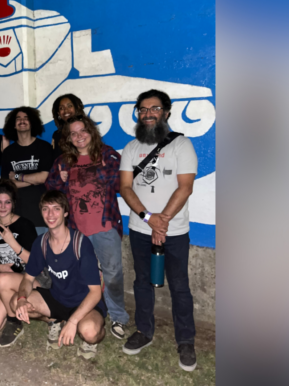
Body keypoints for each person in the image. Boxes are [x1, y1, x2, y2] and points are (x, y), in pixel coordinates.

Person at [119, 89, 198, 371]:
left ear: (166, 112)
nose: (148, 114)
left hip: (174, 231)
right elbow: (125, 187)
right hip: (140, 228)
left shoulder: (181, 145)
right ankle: (144, 331)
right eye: (142, 109)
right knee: (142, 281)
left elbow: (185, 187)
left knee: (179, 286)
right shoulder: (130, 148)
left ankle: (186, 341)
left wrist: (162, 220)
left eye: (154, 109)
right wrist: (148, 218)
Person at [46, 114, 130, 339]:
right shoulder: (64, 161)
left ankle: (118, 317)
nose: (79, 136)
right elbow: (50, 190)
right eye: (73, 133)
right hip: (76, 230)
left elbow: (123, 185)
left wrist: (103, 171)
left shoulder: (108, 154)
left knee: (112, 274)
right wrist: (60, 180)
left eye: (82, 131)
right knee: (77, 276)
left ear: (91, 132)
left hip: (105, 228)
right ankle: (74, 313)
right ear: (69, 138)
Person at [13, 190, 107, 360]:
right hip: (57, 299)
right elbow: (28, 278)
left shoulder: (80, 243)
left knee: (89, 332)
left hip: (85, 303)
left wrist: (73, 322)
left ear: (65, 212)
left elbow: (95, 292)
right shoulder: (41, 243)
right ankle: (55, 321)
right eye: (45, 209)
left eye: (56, 209)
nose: (50, 214)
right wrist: (21, 299)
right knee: (16, 303)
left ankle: (89, 335)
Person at [0, 179, 39, 347]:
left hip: (28, 280)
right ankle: (9, 307)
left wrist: (13, 243)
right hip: (4, 283)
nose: (3, 206)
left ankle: (14, 321)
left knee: (1, 279)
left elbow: (35, 263)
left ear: (13, 204)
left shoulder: (25, 225)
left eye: (7, 202)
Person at [0, 107, 54, 235]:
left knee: (42, 253)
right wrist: (34, 180)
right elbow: (7, 184)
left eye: (26, 118)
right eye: (18, 119)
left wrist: (18, 176)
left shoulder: (44, 147)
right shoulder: (8, 152)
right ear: (13, 125)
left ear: (32, 123)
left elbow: (43, 178)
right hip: (17, 213)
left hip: (41, 212)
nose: (22, 121)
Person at [50, 94, 85, 160]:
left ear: (77, 107)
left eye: (69, 106)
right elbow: (56, 159)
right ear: (58, 113)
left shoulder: (88, 130)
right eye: (61, 108)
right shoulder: (57, 135)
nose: (66, 110)